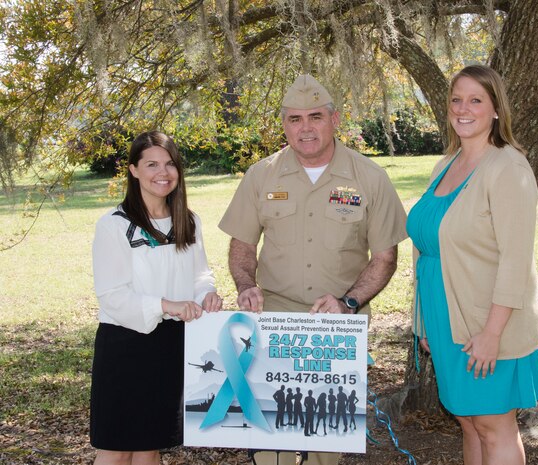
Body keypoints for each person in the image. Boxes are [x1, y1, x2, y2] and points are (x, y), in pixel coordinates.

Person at [219, 74, 408, 465]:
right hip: (274, 321)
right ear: (284, 124)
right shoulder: (261, 175)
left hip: (336, 325)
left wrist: (349, 302)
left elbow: (385, 256)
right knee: (271, 438)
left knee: (327, 436)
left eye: (315, 117)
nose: (305, 128)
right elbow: (241, 244)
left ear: (334, 119)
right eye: (295, 119)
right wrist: (245, 284)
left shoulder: (369, 177)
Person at [407, 65, 538, 465]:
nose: (463, 108)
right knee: (469, 421)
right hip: (445, 316)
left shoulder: (508, 169)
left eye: (475, 100)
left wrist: (491, 333)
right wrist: (424, 323)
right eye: (456, 99)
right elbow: (427, 248)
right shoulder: (445, 166)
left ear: (496, 109)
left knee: (494, 425)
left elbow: (515, 262)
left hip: (488, 322)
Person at [90, 131, 223, 465]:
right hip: (126, 345)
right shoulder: (114, 226)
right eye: (151, 164)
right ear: (134, 170)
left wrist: (206, 295)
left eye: (169, 164)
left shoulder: (188, 221)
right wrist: (166, 305)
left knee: (150, 446)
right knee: (117, 449)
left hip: (172, 343)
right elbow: (112, 295)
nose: (162, 173)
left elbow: (200, 275)